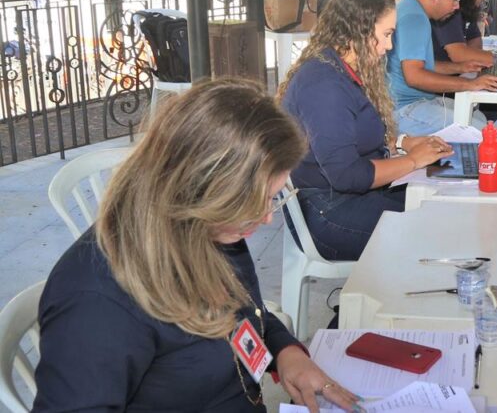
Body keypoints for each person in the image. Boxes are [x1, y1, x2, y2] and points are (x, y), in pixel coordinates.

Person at [34, 79, 362, 412]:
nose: (266, 218)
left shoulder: (209, 229)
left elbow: (246, 312)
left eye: (272, 198)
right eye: (258, 201)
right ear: (205, 190)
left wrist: (288, 354)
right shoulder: (97, 302)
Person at [280, 0, 453, 261]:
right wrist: (413, 161)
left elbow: (356, 135)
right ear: (358, 30)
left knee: (444, 203)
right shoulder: (324, 84)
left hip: (347, 197)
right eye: (386, 35)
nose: (389, 46)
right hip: (328, 211)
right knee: (435, 230)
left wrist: (403, 143)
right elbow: (347, 176)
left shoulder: (342, 68)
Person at [388, 0, 497, 136]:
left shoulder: (410, 6)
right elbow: (414, 76)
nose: (457, 6)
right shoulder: (415, 19)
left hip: (418, 101)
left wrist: (460, 67)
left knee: (479, 118)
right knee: (480, 132)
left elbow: (422, 65)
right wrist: (470, 84)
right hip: (404, 110)